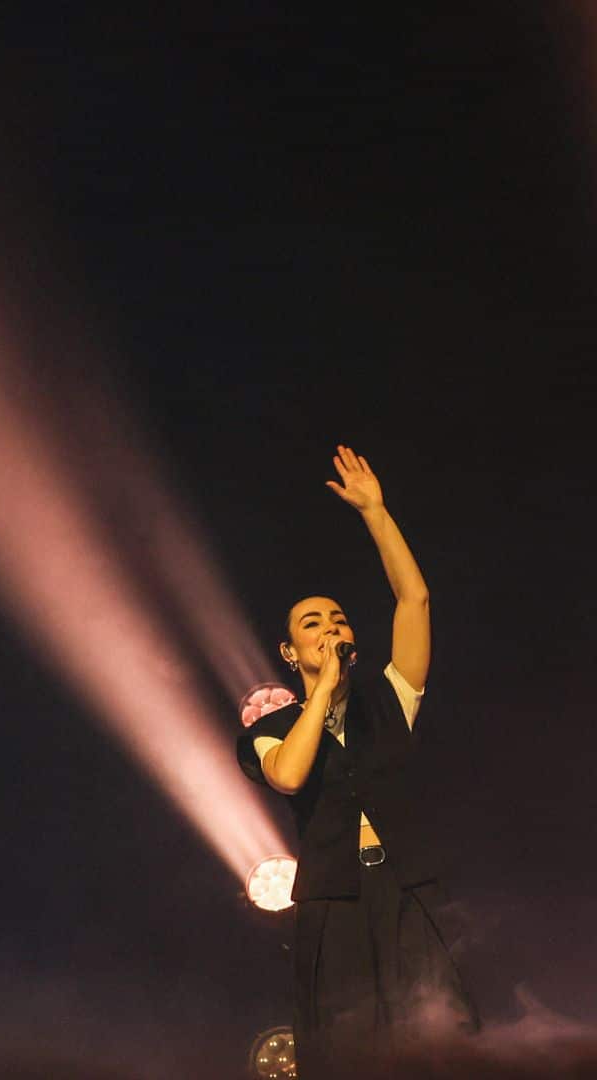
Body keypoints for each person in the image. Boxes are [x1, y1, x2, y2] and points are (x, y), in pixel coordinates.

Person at [236, 446, 476, 1075]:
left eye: (338, 619)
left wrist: (376, 512)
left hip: (407, 889)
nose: (330, 628)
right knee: (347, 1049)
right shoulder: (272, 729)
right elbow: (288, 774)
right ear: (291, 652)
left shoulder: (388, 699)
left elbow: (414, 601)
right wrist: (318, 693)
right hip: (332, 904)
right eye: (312, 624)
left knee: (439, 1036)